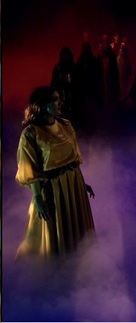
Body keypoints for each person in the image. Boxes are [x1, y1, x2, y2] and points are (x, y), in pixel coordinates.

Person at [14, 86, 96, 258]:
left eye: (59, 98)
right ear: (42, 105)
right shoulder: (31, 133)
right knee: (56, 230)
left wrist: (81, 183)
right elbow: (30, 169)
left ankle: (79, 265)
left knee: (77, 230)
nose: (60, 103)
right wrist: (37, 197)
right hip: (53, 189)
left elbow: (74, 157)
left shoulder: (65, 125)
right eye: (55, 99)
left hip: (74, 183)